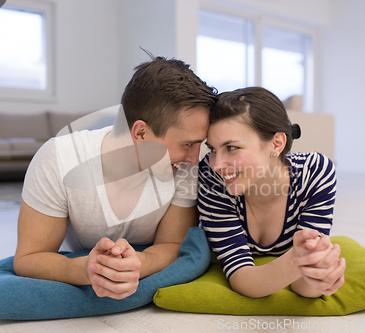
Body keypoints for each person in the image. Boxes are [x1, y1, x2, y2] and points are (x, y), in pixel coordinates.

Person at [13, 55, 217, 300]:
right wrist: (85, 270)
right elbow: (28, 257)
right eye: (187, 144)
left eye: (198, 144)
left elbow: (173, 245)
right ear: (140, 132)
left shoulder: (185, 165)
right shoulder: (58, 158)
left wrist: (140, 262)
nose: (195, 158)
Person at [198, 87, 345, 298]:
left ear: (277, 143)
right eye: (212, 149)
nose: (217, 165)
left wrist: (322, 277)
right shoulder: (211, 176)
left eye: (231, 147)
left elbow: (304, 287)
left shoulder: (315, 171)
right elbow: (243, 279)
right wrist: (303, 261)